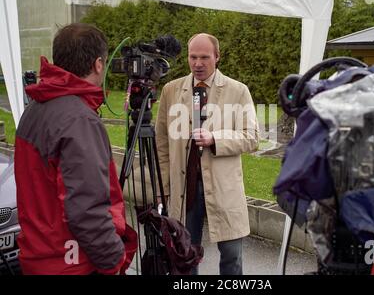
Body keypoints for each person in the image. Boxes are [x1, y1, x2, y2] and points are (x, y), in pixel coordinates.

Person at [14, 23, 137, 275]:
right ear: (98, 64)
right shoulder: (78, 119)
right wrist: (113, 260)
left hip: (39, 256)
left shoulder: (35, 107)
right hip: (71, 262)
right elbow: (86, 208)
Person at [155, 33, 259, 275]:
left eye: (204, 57)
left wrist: (216, 139)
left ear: (217, 57)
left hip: (224, 187)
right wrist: (164, 188)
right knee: (185, 253)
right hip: (185, 186)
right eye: (193, 57)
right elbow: (161, 142)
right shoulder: (171, 91)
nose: (198, 63)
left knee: (232, 255)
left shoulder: (238, 91)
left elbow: (252, 137)